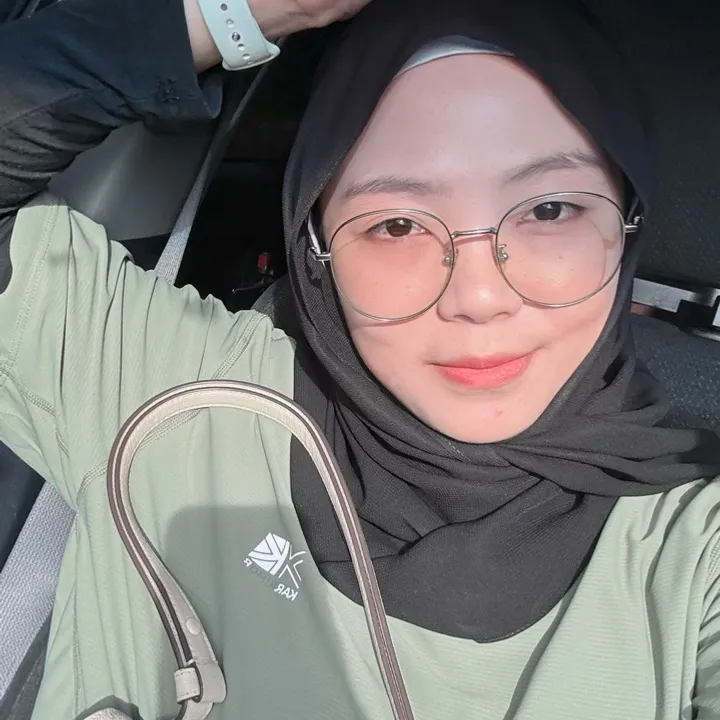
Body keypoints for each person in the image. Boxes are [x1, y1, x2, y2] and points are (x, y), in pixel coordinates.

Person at [1, 0, 720, 717]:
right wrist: (227, 13)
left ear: (626, 225)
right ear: (316, 248)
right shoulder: (172, 394)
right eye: (397, 224)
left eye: (549, 210)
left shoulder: (695, 549)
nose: (478, 296)